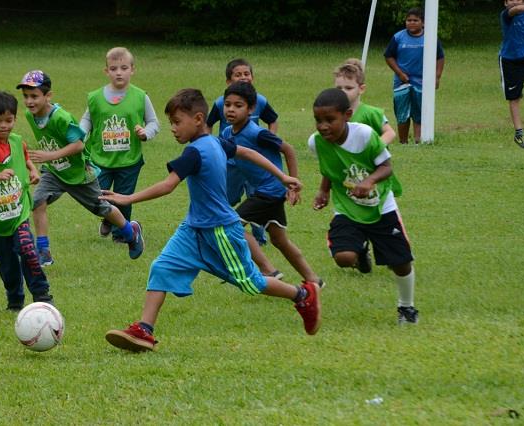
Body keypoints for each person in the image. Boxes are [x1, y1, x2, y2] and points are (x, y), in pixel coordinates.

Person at [101, 88, 322, 352]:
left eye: (176, 122)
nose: (173, 129)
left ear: (197, 119)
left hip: (219, 230)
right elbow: (248, 153)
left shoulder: (195, 152)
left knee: (252, 283)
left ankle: (303, 295)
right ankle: (144, 331)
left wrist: (128, 199)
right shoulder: (216, 142)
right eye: (171, 123)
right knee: (161, 267)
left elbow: (168, 185)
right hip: (193, 228)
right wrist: (281, 175)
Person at [310, 88, 417, 324]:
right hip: (347, 208)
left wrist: (369, 181)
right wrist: (323, 191)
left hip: (381, 207)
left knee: (400, 262)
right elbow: (330, 168)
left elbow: (387, 167)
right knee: (343, 257)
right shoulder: (316, 143)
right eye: (318, 120)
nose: (323, 126)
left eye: (330, 120)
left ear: (347, 115)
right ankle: (360, 253)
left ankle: (406, 307)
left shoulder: (366, 135)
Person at [16, 70, 145, 265]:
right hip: (54, 171)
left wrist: (50, 155)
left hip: (78, 174)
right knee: (38, 201)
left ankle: (131, 231)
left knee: (101, 208)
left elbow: (79, 145)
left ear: (48, 96)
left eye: (34, 96)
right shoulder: (29, 114)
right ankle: (43, 251)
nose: (29, 102)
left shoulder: (61, 118)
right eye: (26, 97)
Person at [222, 81, 322, 286]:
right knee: (279, 239)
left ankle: (268, 270)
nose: (231, 109)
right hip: (264, 191)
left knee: (232, 226)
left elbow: (289, 150)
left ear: (251, 109)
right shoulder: (226, 134)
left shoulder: (256, 132)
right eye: (227, 104)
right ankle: (314, 280)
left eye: (238, 105)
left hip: (270, 190)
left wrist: (292, 184)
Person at [0, 91, 54, 311]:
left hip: (19, 213)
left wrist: (34, 171)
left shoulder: (16, 141)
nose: (3, 126)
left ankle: (42, 295)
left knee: (28, 250)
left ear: (15, 119)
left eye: (8, 120)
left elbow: (24, 157)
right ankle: (15, 298)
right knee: (8, 267)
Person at [80, 47, 160, 240]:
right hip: (100, 159)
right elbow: (86, 121)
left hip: (129, 160)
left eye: (124, 68)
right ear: (106, 71)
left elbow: (154, 122)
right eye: (114, 68)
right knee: (98, 196)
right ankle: (108, 218)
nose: (119, 72)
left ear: (132, 69)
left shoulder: (140, 96)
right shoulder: (96, 98)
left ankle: (121, 234)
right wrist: (79, 136)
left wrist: (145, 133)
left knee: (124, 198)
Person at [207, 58, 279, 249]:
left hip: (255, 162)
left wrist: (270, 140)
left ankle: (258, 237)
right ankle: (223, 226)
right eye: (238, 74)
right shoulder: (220, 103)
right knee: (227, 197)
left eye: (246, 74)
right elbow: (208, 123)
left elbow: (273, 120)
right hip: (231, 161)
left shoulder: (260, 102)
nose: (243, 77)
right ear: (228, 82)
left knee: (256, 196)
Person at [384, 7, 445, 144]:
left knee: (420, 113)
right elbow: (388, 56)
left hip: (423, 82)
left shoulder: (430, 37)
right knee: (402, 113)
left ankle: (419, 140)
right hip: (402, 82)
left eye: (415, 20)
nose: (411, 23)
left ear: (423, 23)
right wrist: (400, 73)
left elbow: (440, 57)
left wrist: (437, 76)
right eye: (409, 20)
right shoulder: (398, 37)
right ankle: (403, 142)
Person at [334, 58, 396, 144]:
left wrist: (375, 149)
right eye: (339, 88)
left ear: (361, 89)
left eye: (348, 88)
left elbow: (390, 133)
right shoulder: (332, 112)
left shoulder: (371, 113)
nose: (343, 91)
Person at [499, 0, 524, 148]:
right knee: (514, 97)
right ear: (505, 3)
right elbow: (516, 9)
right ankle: (519, 134)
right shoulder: (506, 14)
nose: (514, 1)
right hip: (509, 60)